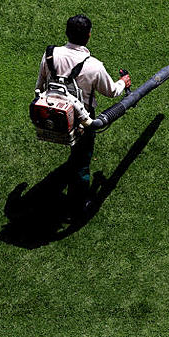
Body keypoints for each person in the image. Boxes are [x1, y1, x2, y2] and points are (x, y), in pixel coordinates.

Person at [35, 14, 131, 215]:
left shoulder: (50, 54)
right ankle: (77, 205)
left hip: (49, 114)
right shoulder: (94, 65)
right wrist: (124, 82)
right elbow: (112, 91)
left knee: (76, 157)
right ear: (88, 36)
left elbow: (40, 86)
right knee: (82, 162)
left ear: (66, 33)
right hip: (82, 121)